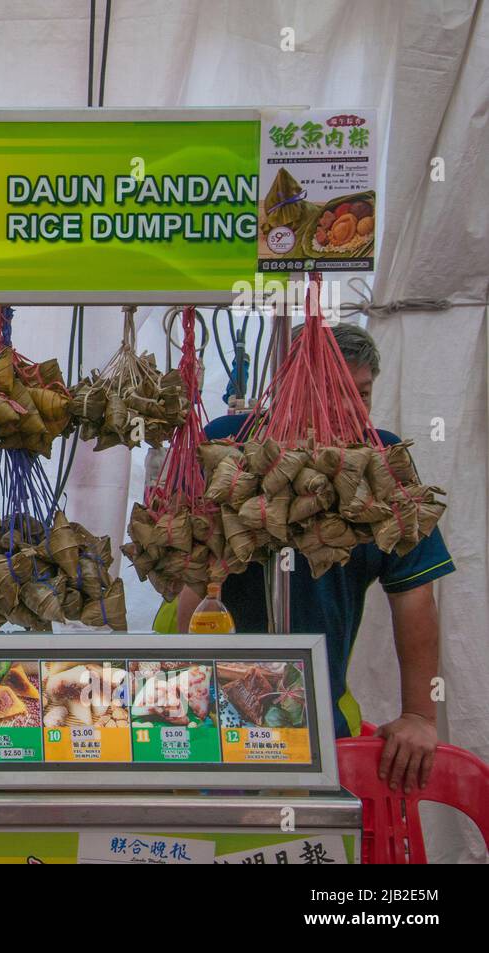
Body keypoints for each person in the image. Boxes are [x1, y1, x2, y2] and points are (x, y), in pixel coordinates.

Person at [177, 323, 452, 796]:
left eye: (361, 394)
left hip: (321, 713)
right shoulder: (230, 443)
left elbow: (414, 596)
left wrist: (419, 716)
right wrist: (183, 695)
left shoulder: (381, 460)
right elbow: (191, 576)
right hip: (211, 712)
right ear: (289, 388)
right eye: (333, 392)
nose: (350, 408)